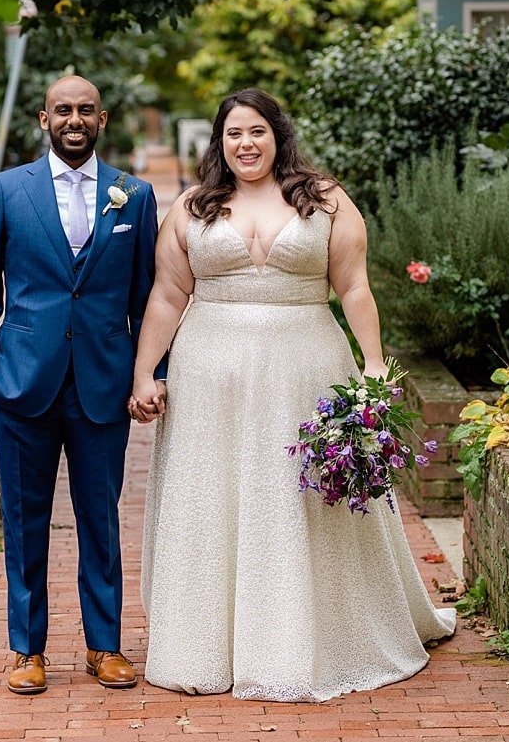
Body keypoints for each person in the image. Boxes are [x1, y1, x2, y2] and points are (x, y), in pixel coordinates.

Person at [130, 87, 456, 702]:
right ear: (218, 143)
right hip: (209, 375)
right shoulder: (192, 206)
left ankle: (309, 639)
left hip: (304, 366)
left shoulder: (324, 198)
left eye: (256, 131)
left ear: (278, 135)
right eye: (233, 134)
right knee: (214, 495)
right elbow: (168, 295)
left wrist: (375, 367)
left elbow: (354, 286)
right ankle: (207, 645)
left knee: (299, 497)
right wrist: (146, 374)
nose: (245, 144)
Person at [0, 75, 161, 695]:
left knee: (101, 518)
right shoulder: (5, 191)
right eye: (62, 111)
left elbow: (148, 298)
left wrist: (146, 374)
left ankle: (104, 646)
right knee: (24, 519)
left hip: (102, 385)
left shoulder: (135, 195)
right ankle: (27, 648)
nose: (74, 120)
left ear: (102, 119)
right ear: (44, 119)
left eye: (85, 111)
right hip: (23, 383)